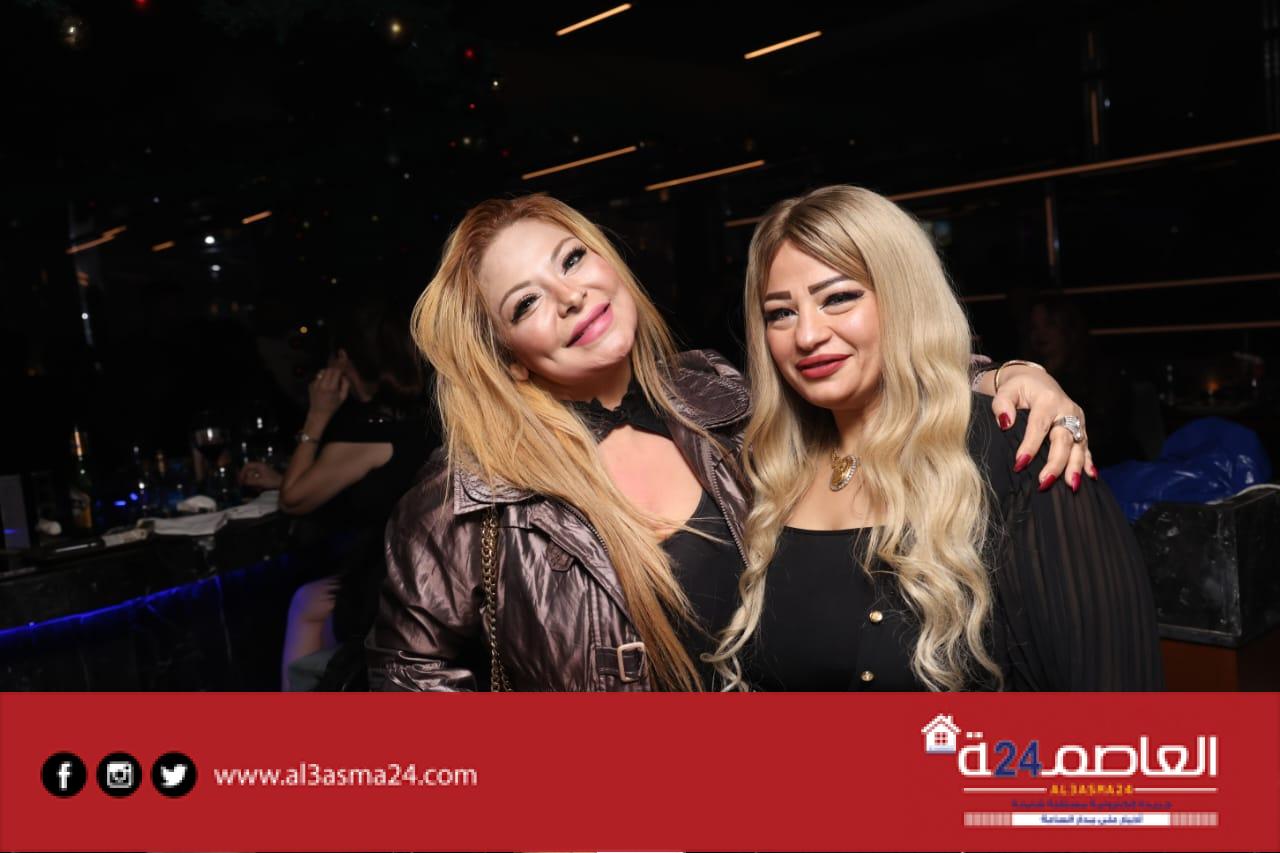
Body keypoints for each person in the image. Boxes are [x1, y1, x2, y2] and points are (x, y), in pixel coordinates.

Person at [366, 193, 1093, 692]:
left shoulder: (717, 399)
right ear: (508, 356)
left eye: (572, 259)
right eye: (525, 302)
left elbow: (865, 381)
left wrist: (1007, 378)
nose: (570, 296)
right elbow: (408, 697)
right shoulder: (467, 495)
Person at [710, 185, 1163, 691]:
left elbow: (1114, 700)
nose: (807, 335)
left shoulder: (1019, 450)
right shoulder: (767, 474)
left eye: (838, 298)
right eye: (781, 312)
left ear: (904, 298)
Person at [242, 297, 432, 690]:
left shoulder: (365, 436)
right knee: (311, 600)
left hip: (390, 590)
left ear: (343, 358)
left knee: (307, 603)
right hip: (425, 574)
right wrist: (282, 479)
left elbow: (294, 501)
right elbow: (381, 480)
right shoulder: (422, 418)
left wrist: (318, 415)